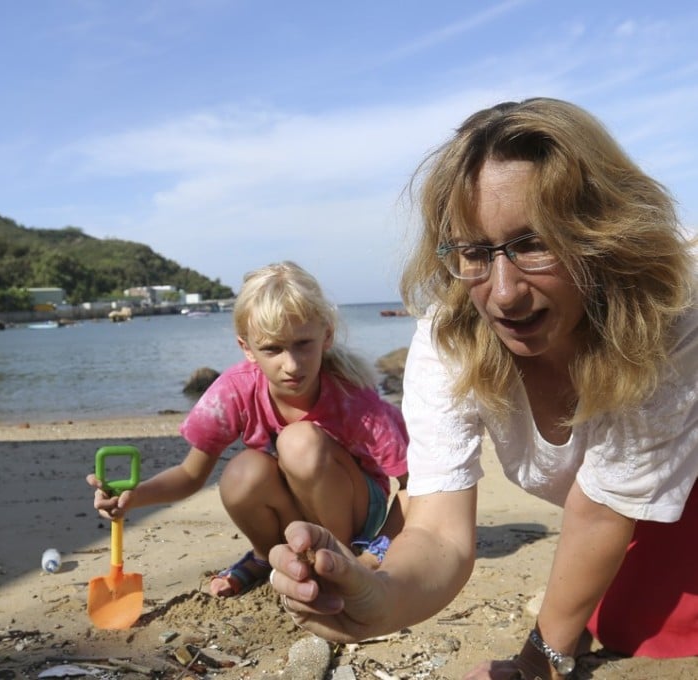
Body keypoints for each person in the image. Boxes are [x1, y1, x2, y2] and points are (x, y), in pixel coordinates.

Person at [268, 97, 697, 678]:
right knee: (617, 621)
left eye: (534, 243)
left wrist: (538, 659)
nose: (503, 294)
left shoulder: (673, 305)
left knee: (648, 629)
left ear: (600, 233)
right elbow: (439, 533)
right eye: (474, 252)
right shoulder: (450, 337)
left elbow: (602, 510)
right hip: (624, 504)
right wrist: (378, 596)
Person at [87, 261, 409, 597]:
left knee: (298, 441)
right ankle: (267, 554)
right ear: (247, 348)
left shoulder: (352, 397)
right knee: (242, 472)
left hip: (354, 511)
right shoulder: (235, 390)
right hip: (296, 508)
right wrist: (133, 497)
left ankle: (340, 556)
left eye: (303, 344)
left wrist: (377, 551)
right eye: (272, 348)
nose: (291, 365)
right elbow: (190, 474)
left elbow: (411, 485)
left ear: (326, 335)